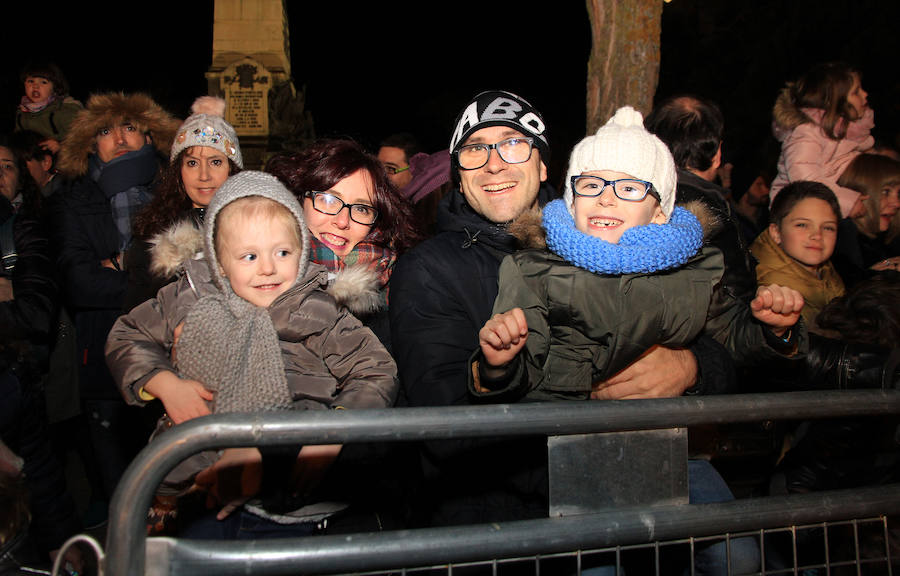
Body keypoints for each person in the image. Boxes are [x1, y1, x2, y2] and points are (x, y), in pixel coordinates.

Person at [390, 90, 736, 530]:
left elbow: (730, 342)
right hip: (512, 530)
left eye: (513, 143)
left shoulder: (608, 234)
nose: (494, 163)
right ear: (459, 176)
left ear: (543, 164)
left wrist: (693, 368)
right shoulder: (428, 270)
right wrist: (588, 409)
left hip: (649, 499)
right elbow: (449, 430)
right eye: (475, 150)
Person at [105, 171, 398, 537]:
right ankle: (162, 503)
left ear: (303, 252)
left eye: (283, 252)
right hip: (193, 483)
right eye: (248, 255)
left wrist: (335, 429)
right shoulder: (189, 295)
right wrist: (163, 383)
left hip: (292, 496)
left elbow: (375, 369)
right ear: (219, 261)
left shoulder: (319, 308)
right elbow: (127, 335)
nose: (267, 268)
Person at [472, 106, 804, 403]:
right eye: (590, 185)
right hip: (570, 444)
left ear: (659, 211)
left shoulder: (697, 268)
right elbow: (525, 370)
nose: (606, 199)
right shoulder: (533, 271)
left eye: (629, 188)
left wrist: (773, 331)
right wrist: (499, 366)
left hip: (671, 443)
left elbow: (733, 339)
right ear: (573, 202)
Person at [48, 92, 180, 512]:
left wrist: (121, 265)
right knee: (118, 496)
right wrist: (151, 279)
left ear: (148, 136)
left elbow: (192, 272)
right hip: (102, 358)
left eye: (129, 127)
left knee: (171, 487)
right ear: (90, 143)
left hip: (173, 357)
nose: (119, 138)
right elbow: (79, 283)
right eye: (105, 130)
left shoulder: (173, 195)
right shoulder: (74, 199)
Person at [267, 138, 421, 351]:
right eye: (328, 200)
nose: (342, 221)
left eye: (361, 209)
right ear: (299, 199)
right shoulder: (256, 275)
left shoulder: (400, 292)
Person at [123, 96, 243, 312]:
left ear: (231, 169)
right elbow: (137, 320)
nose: (204, 175)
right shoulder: (152, 233)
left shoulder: (258, 226)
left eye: (215, 162)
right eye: (192, 163)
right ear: (179, 172)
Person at [770, 61, 875, 218]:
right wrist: (847, 202)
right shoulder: (806, 133)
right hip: (796, 213)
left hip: (822, 210)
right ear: (836, 101)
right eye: (856, 92)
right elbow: (805, 179)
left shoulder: (845, 134)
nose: (865, 94)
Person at [750, 181, 845, 335]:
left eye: (828, 227)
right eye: (802, 225)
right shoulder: (767, 288)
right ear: (776, 232)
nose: (817, 236)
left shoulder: (825, 271)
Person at [831, 153, 900, 287]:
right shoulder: (838, 238)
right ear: (857, 192)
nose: (896, 203)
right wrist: (877, 275)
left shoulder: (888, 240)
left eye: (899, 194)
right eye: (885, 192)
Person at [13, 61, 83, 156]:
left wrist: (61, 146)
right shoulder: (22, 114)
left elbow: (85, 140)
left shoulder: (65, 110)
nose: (35, 86)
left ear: (55, 87)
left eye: (43, 82)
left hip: (66, 164)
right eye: (31, 81)